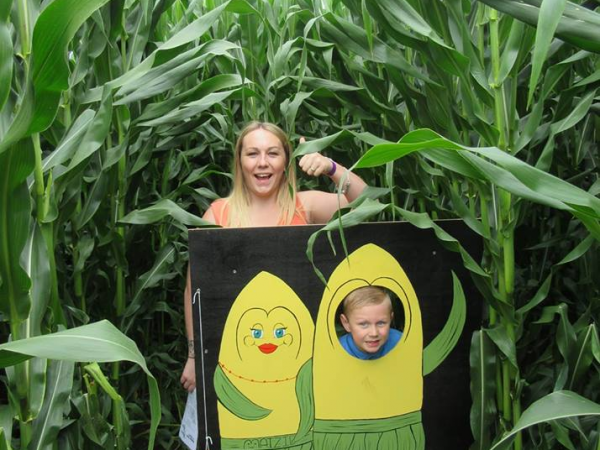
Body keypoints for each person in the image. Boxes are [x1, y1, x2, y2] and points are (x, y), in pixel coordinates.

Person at [180, 121, 368, 392]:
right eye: (252, 153)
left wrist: (331, 168)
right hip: (234, 356)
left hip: (296, 356)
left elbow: (365, 204)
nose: (262, 163)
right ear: (240, 161)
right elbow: (193, 290)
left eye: (272, 153)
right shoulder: (218, 215)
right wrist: (194, 356)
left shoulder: (305, 206)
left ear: (286, 162)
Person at [339, 286, 402, 360]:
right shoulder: (338, 351)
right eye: (363, 324)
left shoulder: (400, 342)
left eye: (381, 323)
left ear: (390, 319)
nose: (374, 333)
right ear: (346, 323)